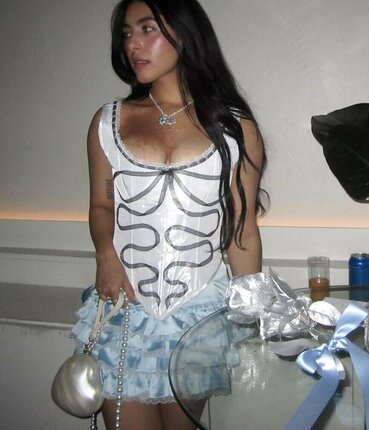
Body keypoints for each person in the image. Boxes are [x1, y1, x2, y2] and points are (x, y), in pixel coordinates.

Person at [71, 0, 268, 429]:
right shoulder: (107, 122)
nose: (132, 44)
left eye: (147, 29)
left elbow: (242, 229)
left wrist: (251, 312)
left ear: (185, 33)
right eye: (127, 33)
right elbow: (102, 204)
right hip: (124, 310)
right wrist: (105, 254)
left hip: (198, 314)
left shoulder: (236, 128)